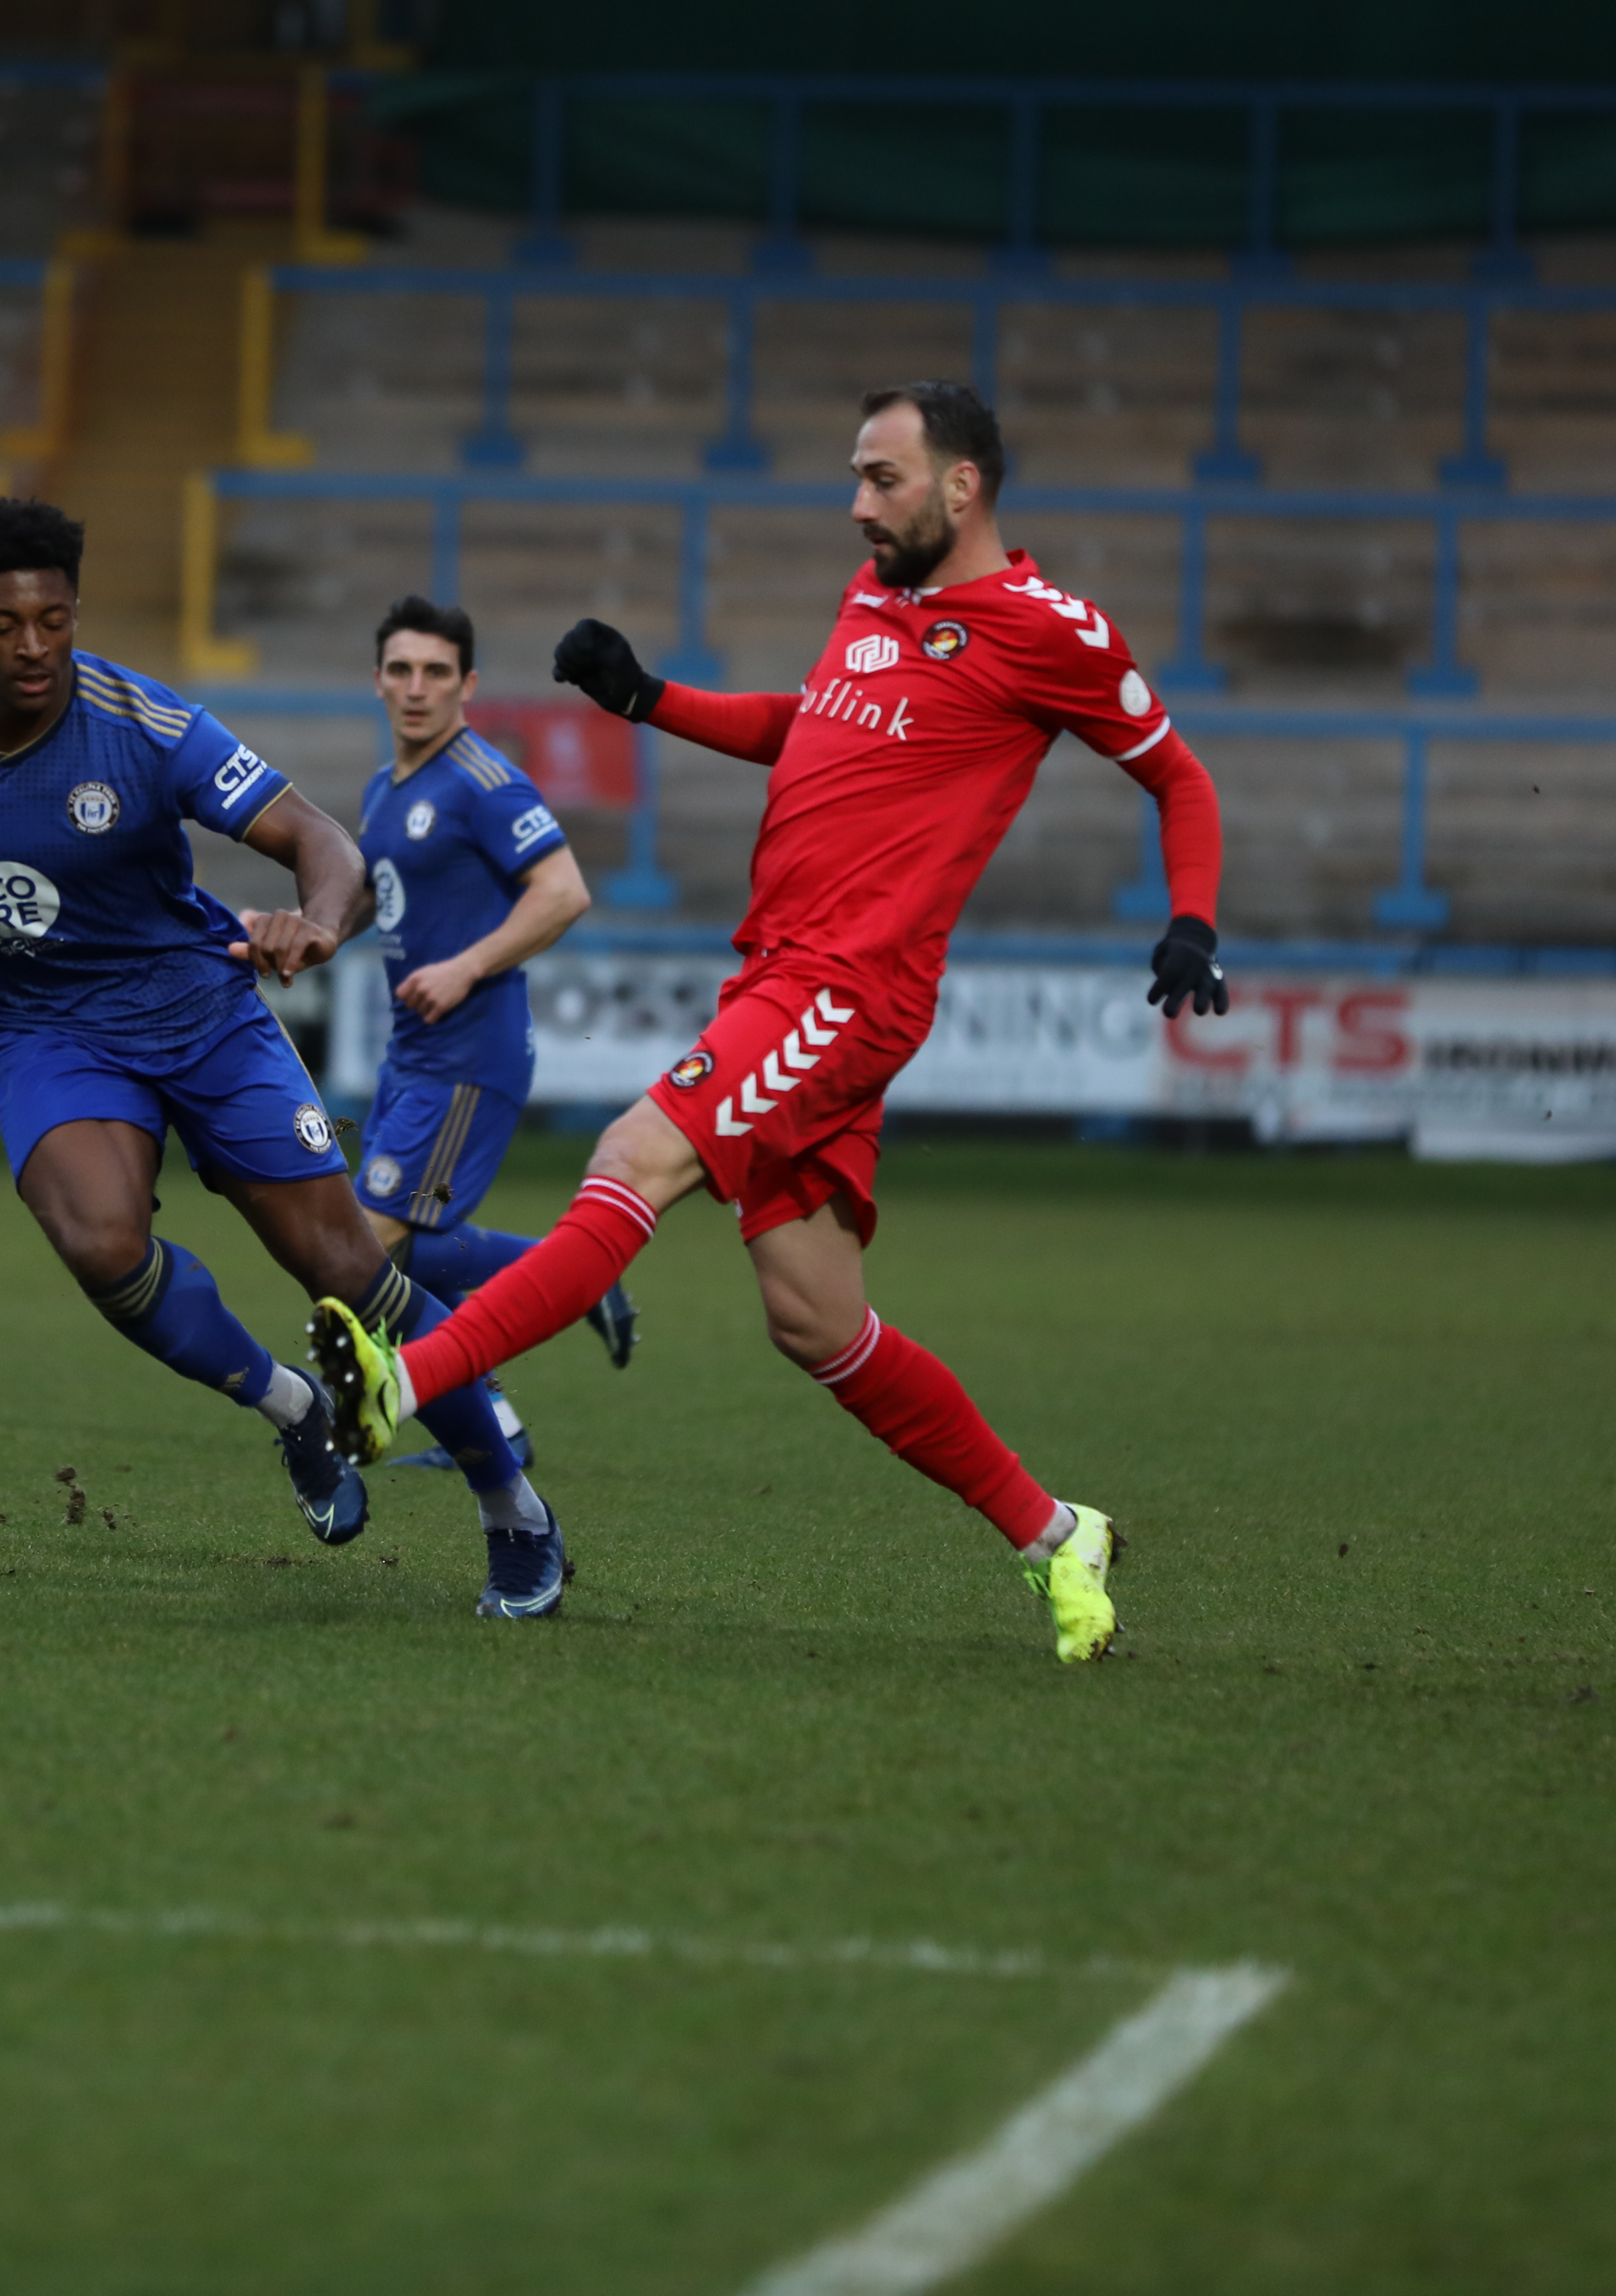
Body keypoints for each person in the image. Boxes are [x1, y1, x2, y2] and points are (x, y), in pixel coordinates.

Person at [306, 382, 1227, 1665]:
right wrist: (650, 700)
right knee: (816, 1323)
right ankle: (1054, 1532)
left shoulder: (1044, 627)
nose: (858, 504)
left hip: (850, 988)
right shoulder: (876, 602)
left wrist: (1193, 917)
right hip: (780, 974)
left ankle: (406, 1383)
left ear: (962, 487)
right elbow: (813, 731)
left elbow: (1177, 775)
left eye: (883, 479)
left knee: (633, 1156)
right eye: (855, 476)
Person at [0, 497, 568, 1617]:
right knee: (100, 1242)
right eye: (3, 625)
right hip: (49, 1033)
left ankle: (512, 1504)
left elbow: (322, 841)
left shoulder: (150, 725)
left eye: (54, 619)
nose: (33, 646)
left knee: (350, 1272)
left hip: (202, 1012)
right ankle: (292, 1409)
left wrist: (316, 920)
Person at [350, 595, 633, 1425]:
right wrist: (303, 931)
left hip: (468, 1056)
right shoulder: (384, 789)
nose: (416, 687)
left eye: (436, 672)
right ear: (377, 681)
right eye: (401, 670)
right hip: (411, 1055)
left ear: (466, 685)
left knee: (364, 1248)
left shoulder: (485, 784)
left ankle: (367, 1421)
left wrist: (465, 968)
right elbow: (374, 896)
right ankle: (570, 1281)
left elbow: (563, 892)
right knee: (412, 1255)